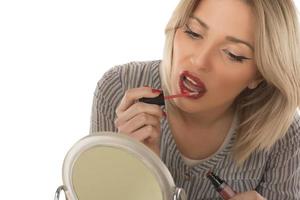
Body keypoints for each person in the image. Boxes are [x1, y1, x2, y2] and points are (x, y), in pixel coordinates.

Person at [90, 0, 300, 199]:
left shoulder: (285, 134)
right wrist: (131, 167)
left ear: (259, 74)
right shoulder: (119, 88)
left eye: (233, 54)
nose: (199, 61)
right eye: (193, 32)